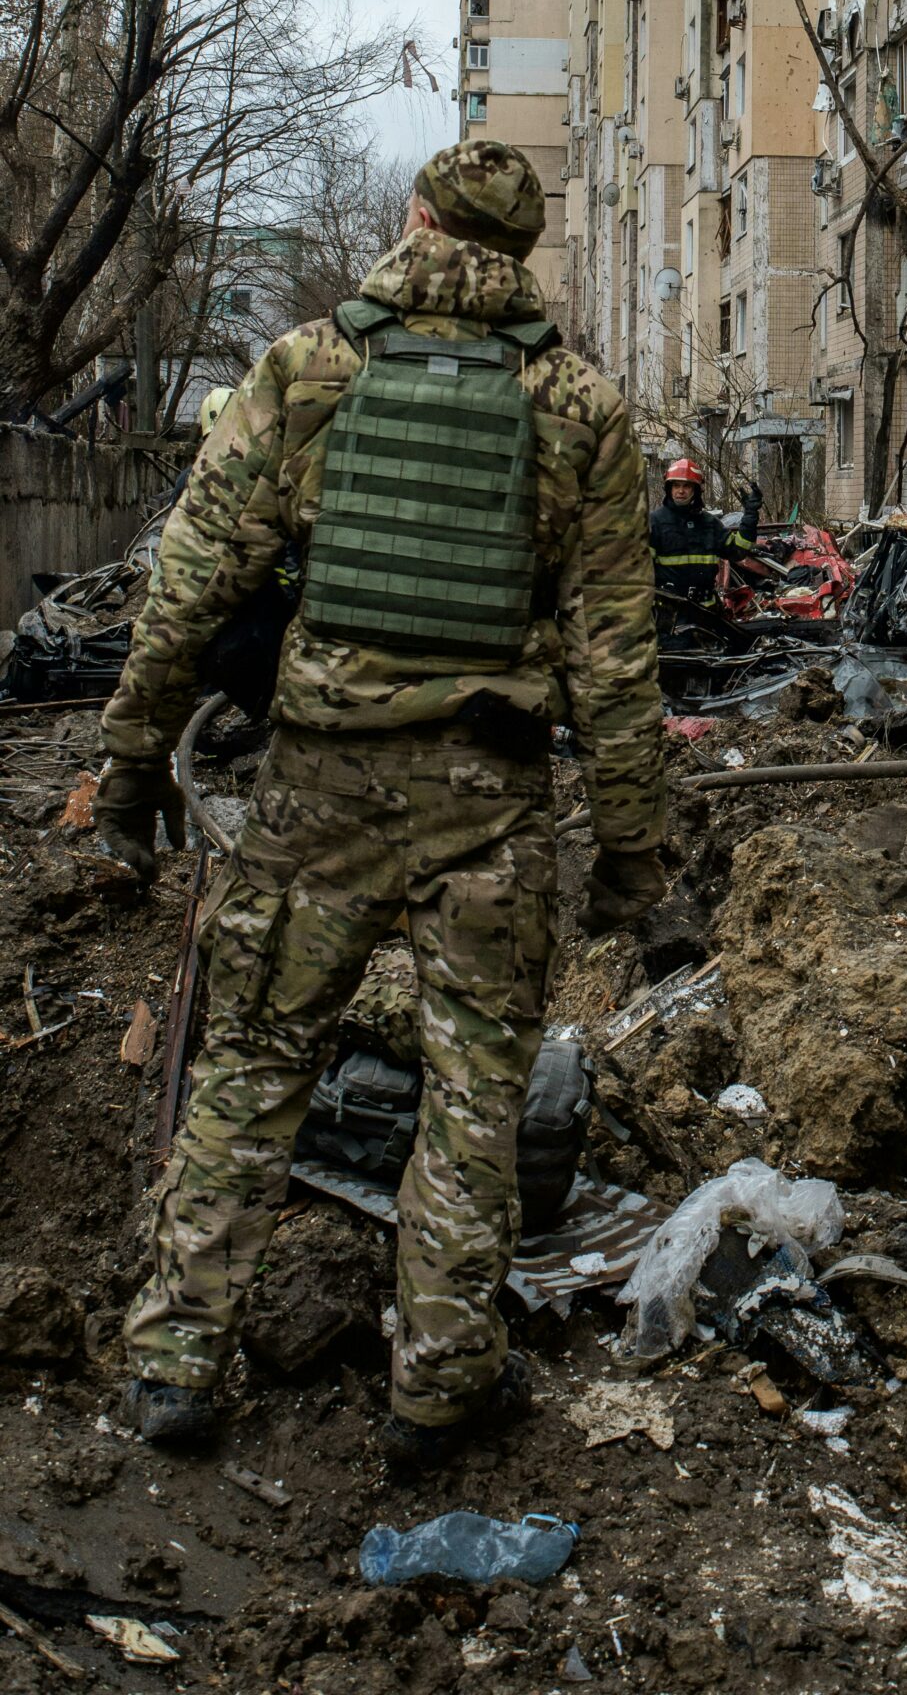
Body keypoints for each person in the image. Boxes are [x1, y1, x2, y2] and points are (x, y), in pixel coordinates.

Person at [93, 138, 665, 1474]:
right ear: (519, 253)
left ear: (414, 222)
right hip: (490, 807)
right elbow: (618, 657)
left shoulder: (305, 370)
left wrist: (129, 762)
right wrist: (634, 853)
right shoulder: (577, 405)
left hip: (316, 795)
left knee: (250, 1063)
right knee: (473, 1096)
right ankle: (440, 1385)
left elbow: (186, 583)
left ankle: (178, 1363)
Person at [647, 457, 761, 628]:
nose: (680, 491)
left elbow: (738, 551)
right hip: (670, 616)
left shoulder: (709, 523)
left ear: (696, 490)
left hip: (706, 613)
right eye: (676, 485)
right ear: (669, 488)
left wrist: (750, 517)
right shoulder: (654, 522)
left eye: (686, 486)